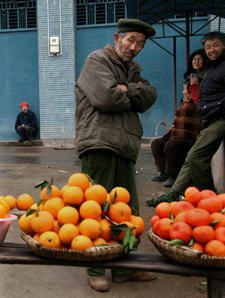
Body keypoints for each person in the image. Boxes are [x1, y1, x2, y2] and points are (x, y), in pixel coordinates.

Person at [75, 18, 157, 292]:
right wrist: (125, 91)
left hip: (124, 145)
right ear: (117, 37)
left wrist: (126, 89)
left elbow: (149, 96)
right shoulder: (96, 60)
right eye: (131, 40)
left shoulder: (132, 69)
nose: (134, 47)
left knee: (126, 211)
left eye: (140, 44)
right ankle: (96, 268)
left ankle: (124, 267)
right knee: (95, 209)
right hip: (99, 142)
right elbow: (106, 98)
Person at [146, 31, 225, 207]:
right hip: (210, 120)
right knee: (191, 157)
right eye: (208, 47)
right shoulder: (213, 68)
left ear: (224, 46)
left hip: (219, 119)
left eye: (216, 46)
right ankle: (174, 193)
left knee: (196, 157)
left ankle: (209, 200)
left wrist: (218, 108)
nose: (211, 50)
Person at [150, 78, 201, 187]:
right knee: (157, 143)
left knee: (171, 145)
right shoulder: (184, 101)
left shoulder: (197, 101)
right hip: (178, 136)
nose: (183, 92)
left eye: (184, 89)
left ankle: (173, 175)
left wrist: (195, 87)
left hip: (190, 137)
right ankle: (163, 172)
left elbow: (199, 101)